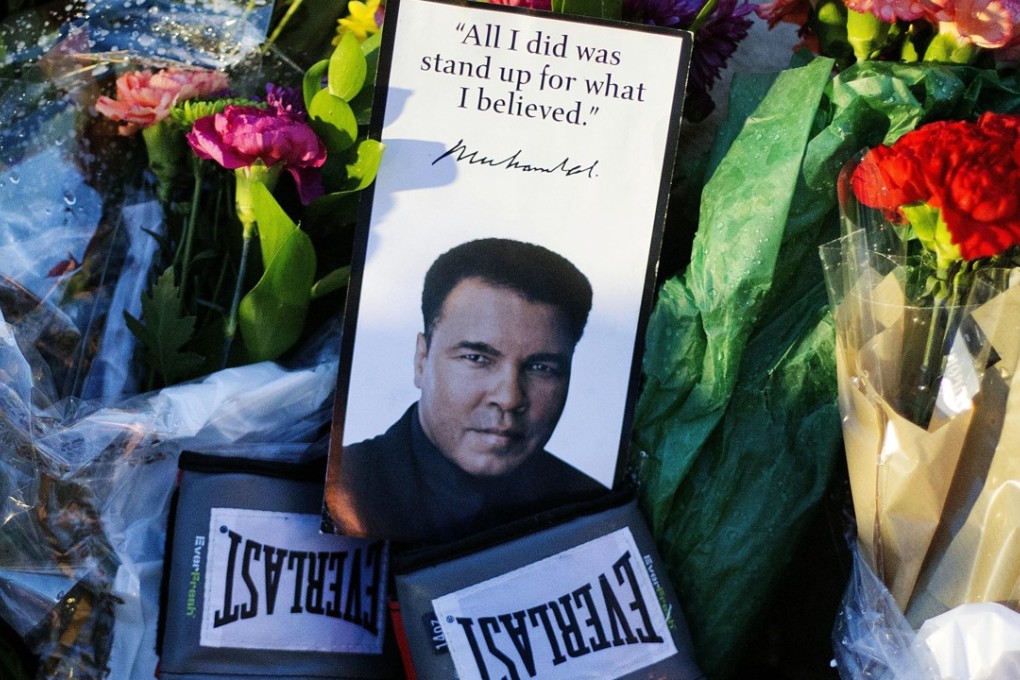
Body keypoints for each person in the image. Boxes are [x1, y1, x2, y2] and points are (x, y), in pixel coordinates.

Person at [325, 238, 605, 544]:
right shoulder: (340, 490)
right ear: (421, 359)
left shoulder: (593, 513)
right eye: (477, 358)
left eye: (541, 368)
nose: (509, 398)